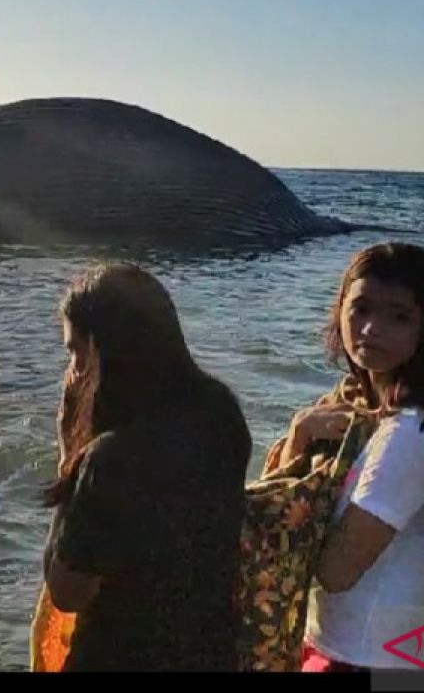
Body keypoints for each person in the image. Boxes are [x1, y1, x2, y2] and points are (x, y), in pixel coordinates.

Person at [41, 263, 252, 671]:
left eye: (73, 351)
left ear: (102, 350)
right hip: (209, 653)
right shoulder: (222, 414)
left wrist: (71, 455)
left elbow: (67, 591)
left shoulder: (112, 459)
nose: (71, 371)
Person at [291, 243, 424, 672]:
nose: (371, 329)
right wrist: (300, 437)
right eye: (360, 309)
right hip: (337, 645)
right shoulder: (355, 407)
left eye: (399, 316)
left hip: (365, 657)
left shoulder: (417, 429)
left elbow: (336, 571)